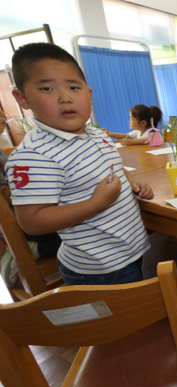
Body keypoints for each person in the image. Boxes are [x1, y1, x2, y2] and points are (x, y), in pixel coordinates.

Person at [6, 42, 154, 286]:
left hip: (128, 250)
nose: (65, 97)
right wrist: (95, 203)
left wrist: (134, 184)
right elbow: (31, 221)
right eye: (46, 88)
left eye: (74, 87)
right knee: (116, 323)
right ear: (22, 98)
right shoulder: (34, 156)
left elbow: (114, 169)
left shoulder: (96, 134)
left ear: (89, 94)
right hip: (97, 267)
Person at [0, 105, 62, 287]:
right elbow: (9, 196)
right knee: (84, 227)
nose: (3, 115)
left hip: (23, 218)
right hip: (24, 222)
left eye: (1, 110)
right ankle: (31, 249)